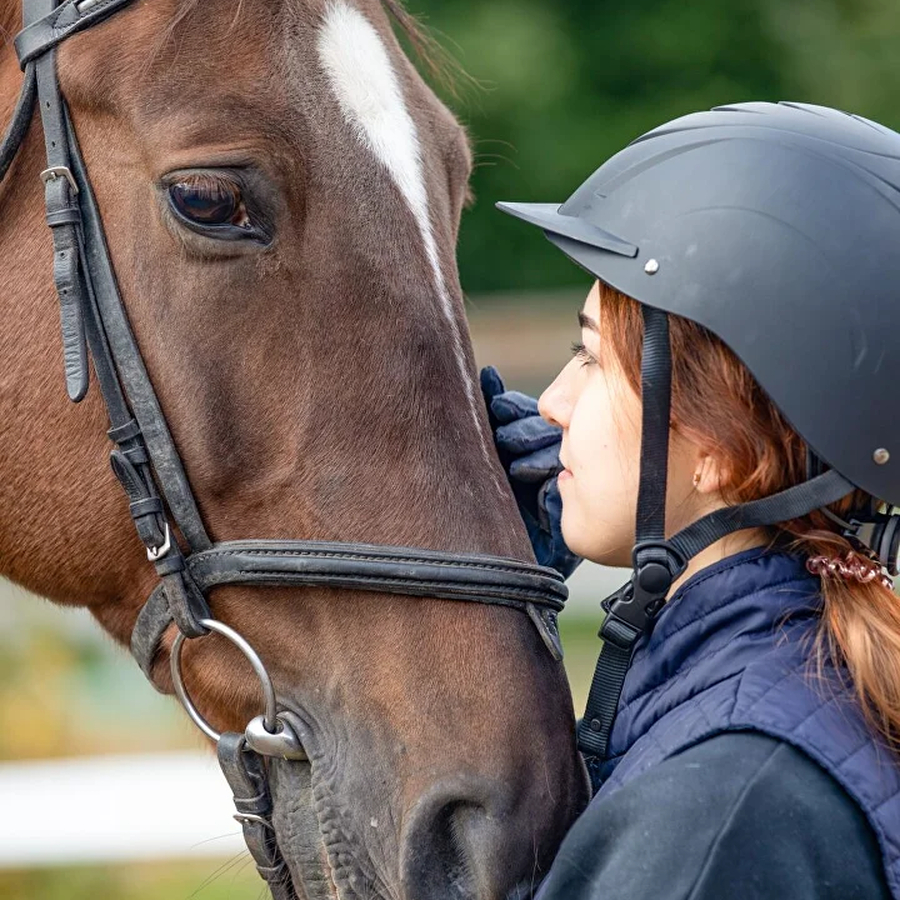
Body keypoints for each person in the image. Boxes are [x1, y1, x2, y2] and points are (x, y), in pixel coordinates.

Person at [482, 101, 900, 899]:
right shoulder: (774, 704)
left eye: (591, 358)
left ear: (719, 447)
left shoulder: (723, 811)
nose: (551, 405)